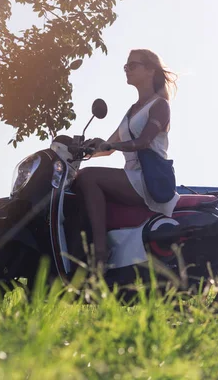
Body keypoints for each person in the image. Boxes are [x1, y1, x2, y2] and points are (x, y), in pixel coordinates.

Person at [76, 49, 180, 268]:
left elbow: (143, 142)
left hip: (147, 179)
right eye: (126, 66)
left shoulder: (160, 105)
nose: (127, 70)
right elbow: (108, 148)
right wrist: (85, 148)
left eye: (132, 65)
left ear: (151, 70)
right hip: (132, 175)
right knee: (77, 179)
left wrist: (110, 145)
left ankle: (101, 251)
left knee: (88, 177)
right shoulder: (131, 111)